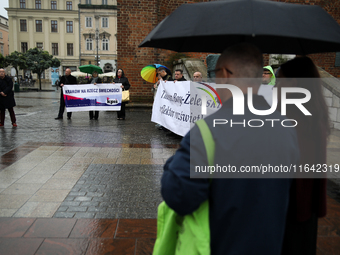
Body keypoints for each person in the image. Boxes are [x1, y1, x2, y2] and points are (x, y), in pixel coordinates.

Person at [161, 43, 299, 254]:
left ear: (224, 74)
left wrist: (172, 163)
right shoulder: (287, 128)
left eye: (215, 74)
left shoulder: (207, 132)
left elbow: (179, 196)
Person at [277, 57, 330, 255]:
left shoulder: (291, 116)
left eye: (280, 81)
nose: (275, 86)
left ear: (295, 83)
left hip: (291, 207)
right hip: (306, 205)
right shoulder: (313, 113)